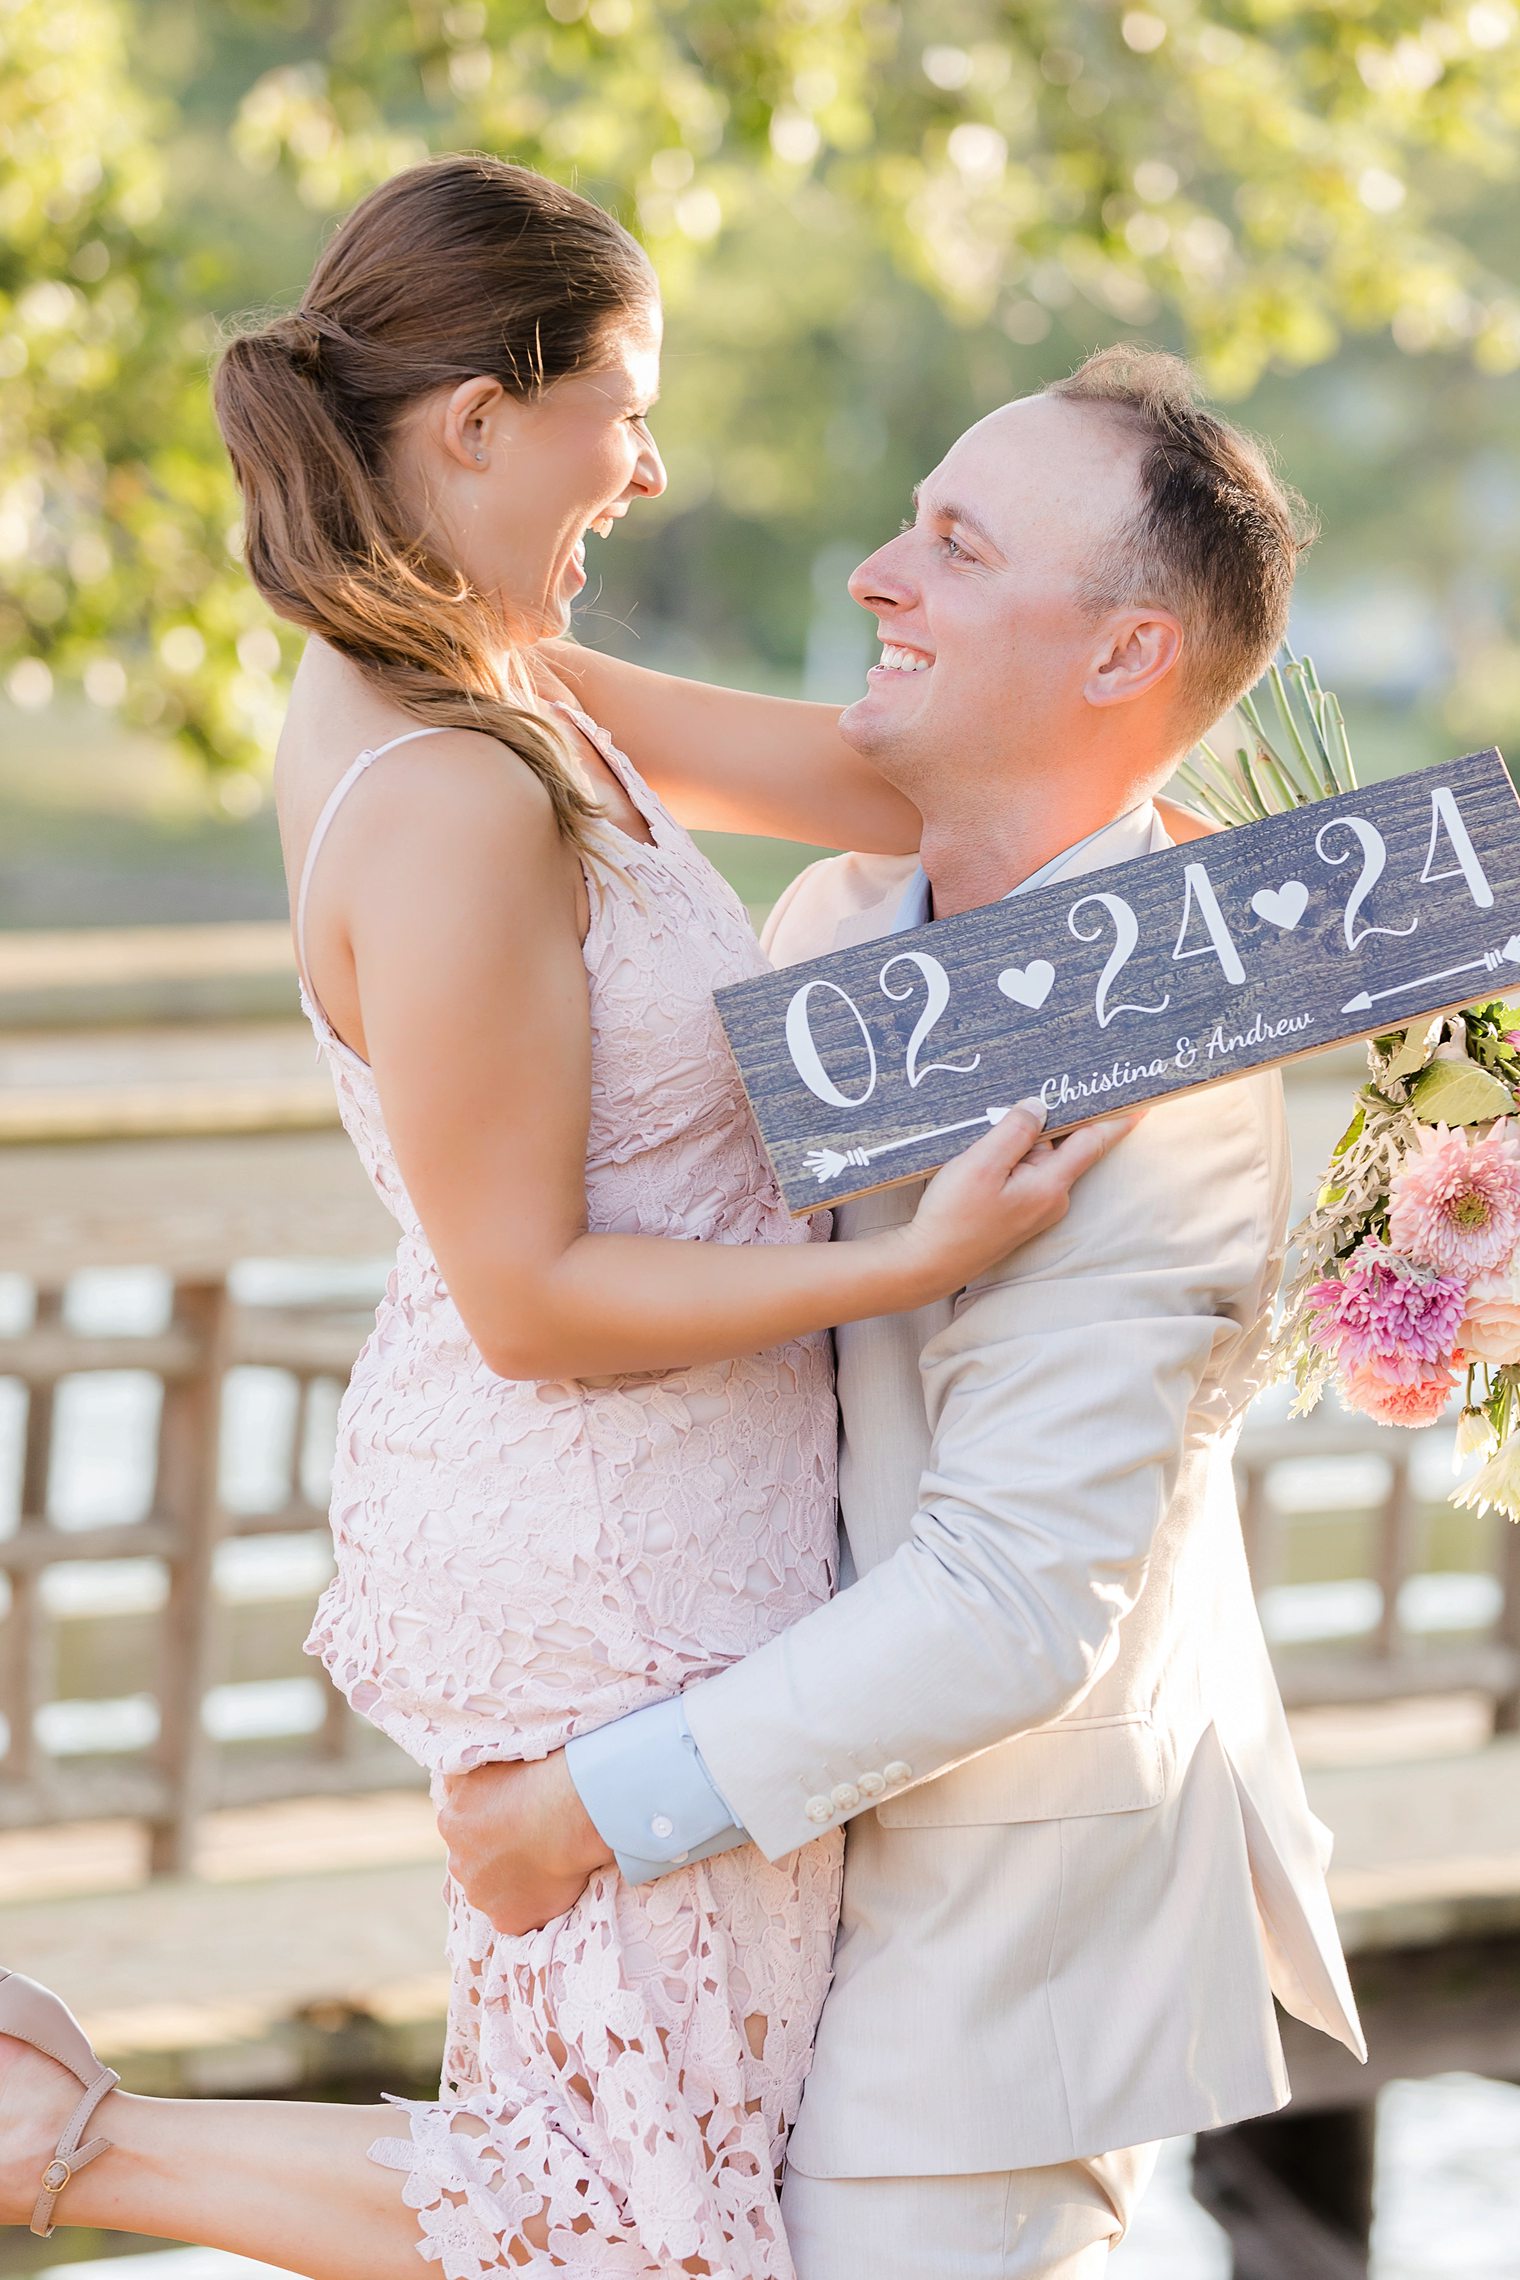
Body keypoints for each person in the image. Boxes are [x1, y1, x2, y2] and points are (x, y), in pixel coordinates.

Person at [0, 156, 1138, 2280]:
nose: (650, 461)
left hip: (656, 1519)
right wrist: (906, 1259)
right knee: (635, 2225)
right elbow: (523, 1294)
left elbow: (899, 792)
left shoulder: (505, 680)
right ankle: (72, 2147)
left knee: (636, 2190)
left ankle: (70, 2136)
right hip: (602, 1553)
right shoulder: (439, 779)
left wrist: (1230, 825)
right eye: (625, 402)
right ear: (476, 417)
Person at [436, 348, 1369, 2279]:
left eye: (954, 542)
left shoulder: (1170, 1062)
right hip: (744, 1909)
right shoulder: (846, 928)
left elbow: (1018, 1600)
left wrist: (583, 1818)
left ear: (1124, 658)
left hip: (977, 1985)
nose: (876, 571)